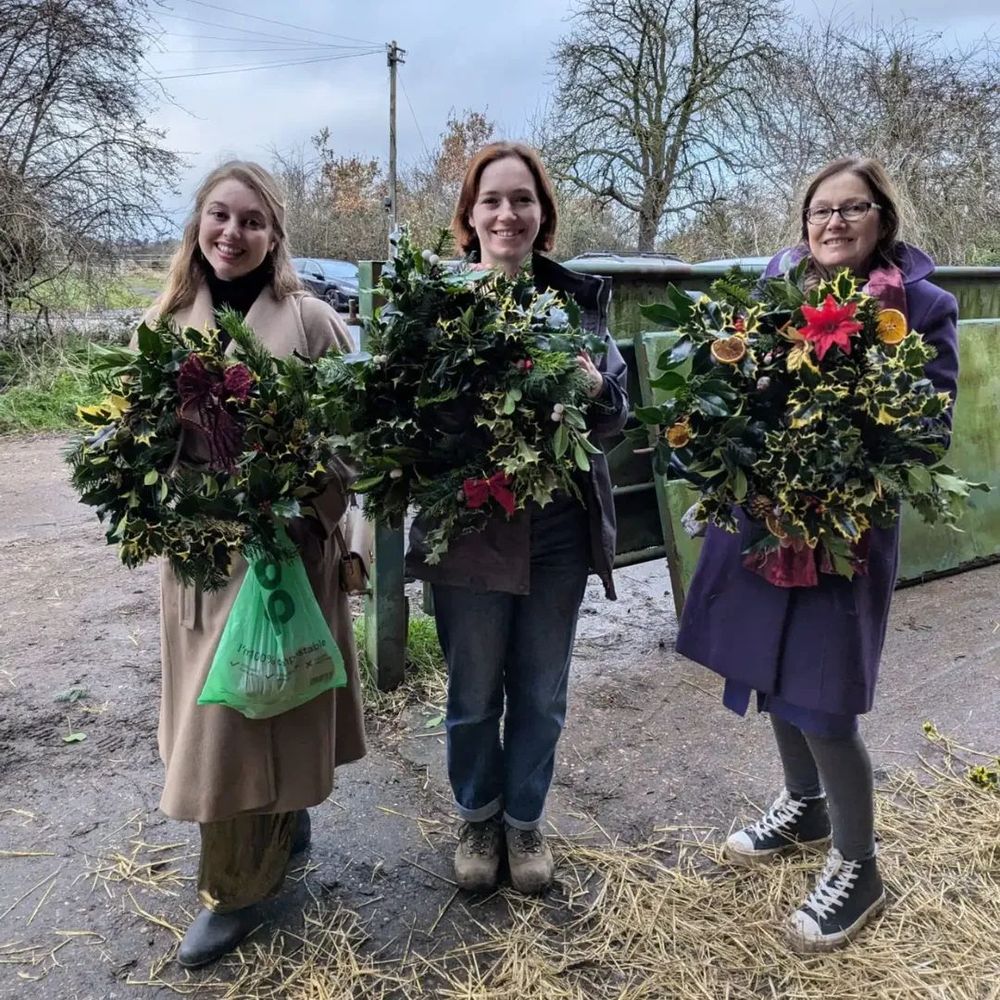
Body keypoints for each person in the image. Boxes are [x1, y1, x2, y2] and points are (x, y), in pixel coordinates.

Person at [676, 157, 959, 952]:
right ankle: (803, 807)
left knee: (823, 693)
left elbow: (929, 431)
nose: (833, 223)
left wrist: (855, 426)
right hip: (763, 519)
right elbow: (723, 397)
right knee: (768, 666)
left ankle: (858, 863)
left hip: (847, 531)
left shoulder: (924, 309)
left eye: (852, 209)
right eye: (820, 211)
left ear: (883, 220)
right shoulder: (771, 294)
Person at [144, 161, 366, 967]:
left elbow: (355, 440)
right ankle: (244, 870)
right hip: (204, 563)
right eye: (218, 216)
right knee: (226, 725)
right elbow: (136, 451)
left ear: (275, 236)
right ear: (198, 225)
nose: (231, 234)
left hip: (287, 562)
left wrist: (311, 493)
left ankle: (248, 875)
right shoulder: (163, 326)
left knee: (278, 706)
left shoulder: (310, 323)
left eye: (251, 221)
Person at [405, 142, 630, 894]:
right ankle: (478, 814)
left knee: (540, 690)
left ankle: (524, 822)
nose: (508, 213)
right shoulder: (434, 307)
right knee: (472, 693)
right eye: (492, 200)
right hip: (469, 530)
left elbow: (613, 422)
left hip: (557, 533)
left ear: (544, 216)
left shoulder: (577, 303)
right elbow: (403, 423)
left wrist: (597, 390)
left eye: (523, 200)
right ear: (468, 217)